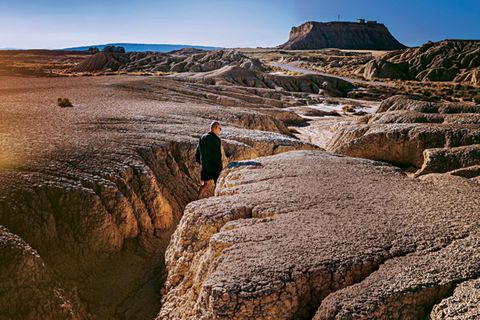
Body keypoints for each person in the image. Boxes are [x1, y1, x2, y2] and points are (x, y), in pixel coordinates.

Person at [195, 121, 223, 199]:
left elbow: (197, 152)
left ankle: (198, 198)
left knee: (205, 184)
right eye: (220, 129)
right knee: (217, 184)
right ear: (216, 128)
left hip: (205, 166)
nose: (220, 131)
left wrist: (201, 162)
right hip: (214, 167)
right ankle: (216, 199)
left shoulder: (202, 137)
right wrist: (220, 167)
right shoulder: (216, 139)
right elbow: (217, 155)